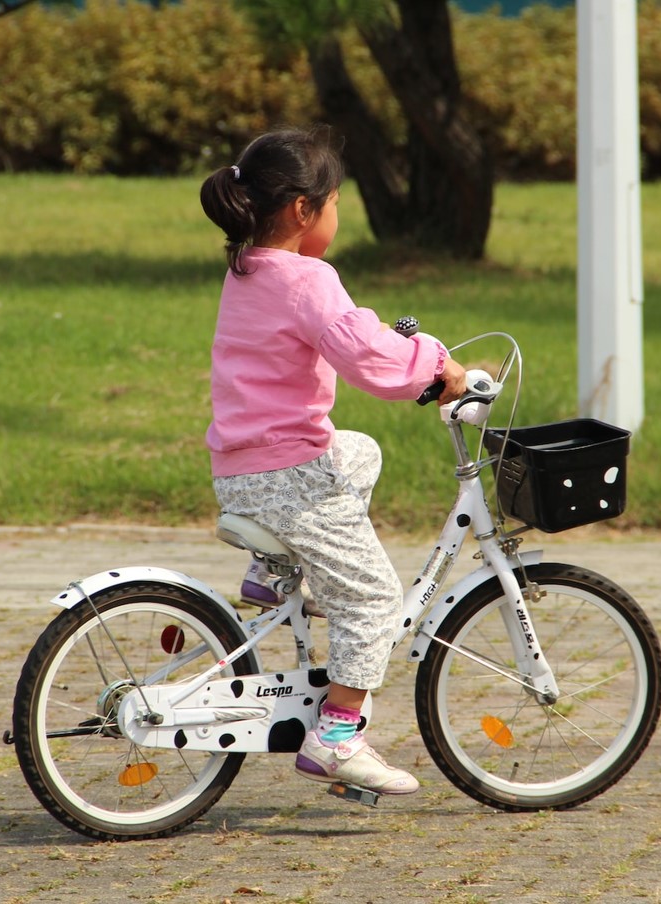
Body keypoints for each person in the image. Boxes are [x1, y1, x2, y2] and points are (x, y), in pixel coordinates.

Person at [199, 127, 467, 796]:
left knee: (358, 450)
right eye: (336, 203)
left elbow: (353, 335)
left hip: (242, 472)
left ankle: (274, 572)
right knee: (374, 597)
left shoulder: (247, 267)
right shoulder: (308, 279)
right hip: (288, 479)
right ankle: (338, 735)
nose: (338, 216)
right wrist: (436, 364)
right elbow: (369, 357)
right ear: (302, 210)